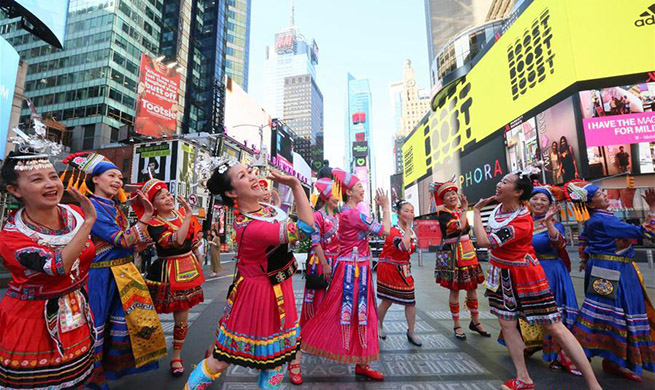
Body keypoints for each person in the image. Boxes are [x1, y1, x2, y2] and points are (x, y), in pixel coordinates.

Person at [183, 157, 315, 390]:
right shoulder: (254, 228)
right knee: (221, 361)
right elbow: (305, 228)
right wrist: (295, 185)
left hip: (275, 291)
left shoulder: (261, 213)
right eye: (243, 176)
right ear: (232, 193)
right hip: (260, 297)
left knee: (274, 362)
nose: (253, 177)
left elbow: (278, 217)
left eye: (249, 172)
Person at [472, 173, 602, 390]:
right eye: (501, 180)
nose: (499, 183)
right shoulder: (500, 210)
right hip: (502, 273)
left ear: (518, 192)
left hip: (524, 275)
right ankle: (523, 378)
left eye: (505, 182)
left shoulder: (521, 220)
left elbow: (485, 241)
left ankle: (593, 384)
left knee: (554, 327)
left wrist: (476, 211)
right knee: (507, 324)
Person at [62, 152, 167, 389]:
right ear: (95, 179)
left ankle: (107, 371)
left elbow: (126, 244)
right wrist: (147, 216)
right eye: (111, 175)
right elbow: (121, 240)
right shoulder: (91, 206)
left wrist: (139, 244)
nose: (118, 181)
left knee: (121, 325)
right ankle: (93, 379)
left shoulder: (115, 207)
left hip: (122, 274)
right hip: (101, 276)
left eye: (120, 177)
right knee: (98, 326)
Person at [0, 151, 97, 390]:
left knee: (78, 379)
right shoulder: (12, 236)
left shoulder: (73, 214)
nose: (50, 184)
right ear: (15, 190)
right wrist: (89, 222)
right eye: (37, 179)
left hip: (76, 310)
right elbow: (57, 267)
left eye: (53, 176)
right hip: (32, 319)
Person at [302, 168, 391, 381]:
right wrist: (386, 207)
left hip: (354, 267)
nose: (363, 190)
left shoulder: (345, 213)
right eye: (359, 187)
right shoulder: (353, 214)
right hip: (353, 271)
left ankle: (362, 361)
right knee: (353, 313)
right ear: (349, 193)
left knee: (358, 313)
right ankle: (301, 342)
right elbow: (385, 230)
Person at [567, 181, 655, 381]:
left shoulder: (598, 219)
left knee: (611, 314)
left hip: (611, 269)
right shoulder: (603, 220)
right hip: (612, 271)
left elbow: (583, 239)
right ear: (591, 204)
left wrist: (583, 259)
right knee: (607, 314)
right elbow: (646, 232)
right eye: (600, 193)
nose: (605, 194)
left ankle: (612, 360)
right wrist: (652, 208)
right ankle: (576, 355)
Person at [501, 184, 580, 375]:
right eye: (535, 198)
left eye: (544, 200)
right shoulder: (522, 220)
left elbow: (558, 243)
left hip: (551, 271)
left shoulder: (554, 223)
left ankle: (561, 354)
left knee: (553, 315)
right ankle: (530, 344)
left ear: (550, 205)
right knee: (526, 311)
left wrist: (549, 222)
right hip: (527, 271)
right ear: (529, 201)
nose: (538, 202)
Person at [139, 179, 205, 377]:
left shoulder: (180, 214)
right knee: (149, 315)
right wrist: (188, 217)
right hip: (164, 272)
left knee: (182, 316)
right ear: (153, 204)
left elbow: (194, 235)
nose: (168, 198)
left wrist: (197, 242)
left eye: (168, 194)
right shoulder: (155, 223)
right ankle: (143, 350)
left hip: (187, 267)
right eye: (162, 197)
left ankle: (176, 355)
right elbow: (175, 242)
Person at [432, 180, 488, 340]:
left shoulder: (459, 211)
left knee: (472, 288)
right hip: (454, 256)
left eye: (453, 193)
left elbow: (465, 227)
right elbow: (460, 226)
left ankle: (476, 321)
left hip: (468, 252)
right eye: (447, 195)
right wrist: (464, 209)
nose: (451, 196)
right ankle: (457, 324)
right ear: (442, 200)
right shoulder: (443, 214)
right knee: (454, 290)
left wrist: (463, 209)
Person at [377, 199, 421, 346]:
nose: (409, 213)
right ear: (399, 214)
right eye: (406, 211)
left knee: (411, 301)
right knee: (387, 300)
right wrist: (408, 226)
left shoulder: (411, 232)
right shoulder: (393, 231)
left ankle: (411, 331)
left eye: (412, 211)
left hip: (404, 270)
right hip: (389, 268)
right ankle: (378, 325)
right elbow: (403, 246)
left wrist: (409, 228)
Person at [300, 177, 339, 326]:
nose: (337, 198)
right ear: (325, 197)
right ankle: (313, 329)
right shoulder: (317, 216)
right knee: (318, 296)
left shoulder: (338, 216)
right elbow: (315, 243)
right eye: (334, 195)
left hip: (336, 262)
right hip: (320, 261)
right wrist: (325, 265)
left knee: (333, 297)